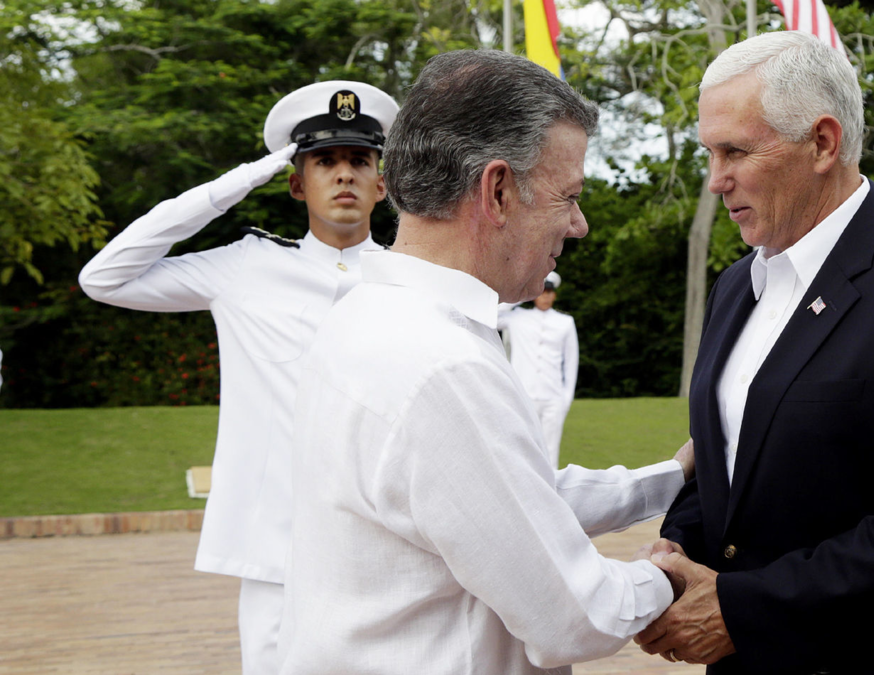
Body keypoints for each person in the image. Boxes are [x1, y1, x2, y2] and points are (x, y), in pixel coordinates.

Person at [277, 50, 694, 675]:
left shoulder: (367, 315)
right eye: (568, 197)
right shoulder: (442, 365)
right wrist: (670, 577)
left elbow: (504, 500)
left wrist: (673, 477)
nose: (579, 225)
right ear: (497, 191)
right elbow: (574, 617)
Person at [633, 31, 874, 673]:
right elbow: (729, 462)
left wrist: (742, 610)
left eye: (735, 151)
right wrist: (678, 548)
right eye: (709, 153)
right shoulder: (738, 286)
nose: (716, 180)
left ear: (822, 142)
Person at [77, 80, 399, 674]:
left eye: (360, 160)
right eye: (324, 161)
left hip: (386, 547)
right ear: (296, 183)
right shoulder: (247, 267)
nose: (344, 174)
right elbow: (104, 278)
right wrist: (243, 180)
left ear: (382, 182)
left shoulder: (412, 278)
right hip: (277, 549)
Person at [498, 270, 579, 467]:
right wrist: (521, 292)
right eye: (541, 292)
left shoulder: (565, 322)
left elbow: (571, 363)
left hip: (553, 396)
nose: (545, 296)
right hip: (524, 394)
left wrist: (566, 398)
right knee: (522, 448)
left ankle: (551, 486)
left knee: (550, 451)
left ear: (554, 295)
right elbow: (492, 316)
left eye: (549, 292)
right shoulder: (517, 317)